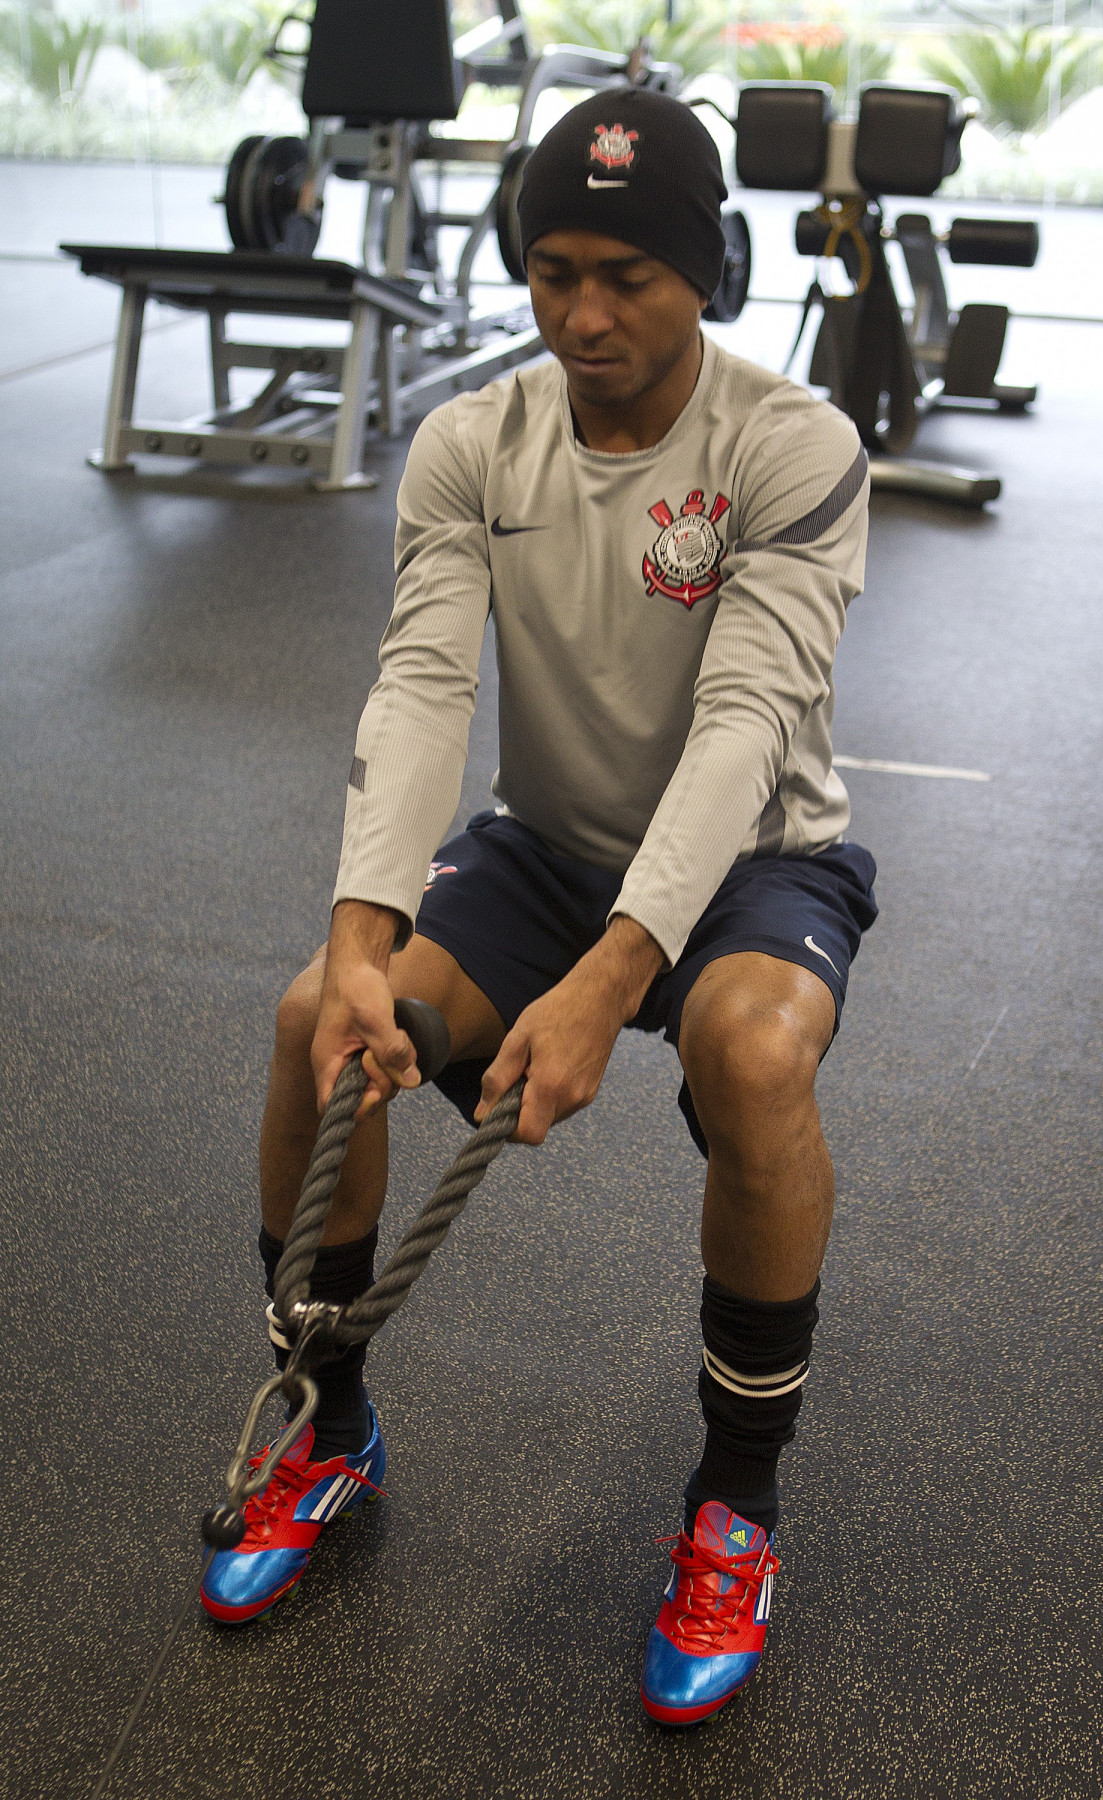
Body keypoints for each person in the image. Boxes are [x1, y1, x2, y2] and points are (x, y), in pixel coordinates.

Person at [200, 86, 878, 1727]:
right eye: (555, 269)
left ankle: (737, 1507)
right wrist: (364, 941)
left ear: (705, 269)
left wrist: (613, 975)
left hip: (752, 860)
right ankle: (332, 1424)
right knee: (317, 1025)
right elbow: (425, 685)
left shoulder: (791, 448)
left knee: (757, 1054)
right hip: (549, 846)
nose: (584, 313)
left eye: (629, 275)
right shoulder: (473, 441)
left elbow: (743, 728)